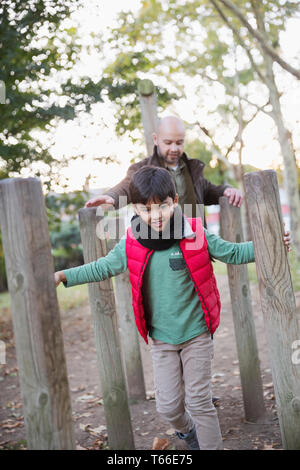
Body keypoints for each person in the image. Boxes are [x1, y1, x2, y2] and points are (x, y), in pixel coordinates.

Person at [55, 166, 291, 451]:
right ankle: (187, 430)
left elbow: (232, 252)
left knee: (200, 402)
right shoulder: (131, 242)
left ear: (175, 202)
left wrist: (269, 244)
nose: (155, 215)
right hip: (162, 339)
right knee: (168, 406)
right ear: (135, 209)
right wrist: (63, 276)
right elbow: (102, 267)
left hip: (196, 334)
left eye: (162, 207)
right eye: (146, 209)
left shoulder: (194, 231)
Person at [84, 116, 243, 224]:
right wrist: (110, 196)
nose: (174, 148)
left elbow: (208, 191)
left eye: (179, 142)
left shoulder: (191, 169)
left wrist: (227, 190)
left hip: (194, 241)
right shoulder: (142, 169)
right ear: (156, 139)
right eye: (168, 142)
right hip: (162, 243)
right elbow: (126, 186)